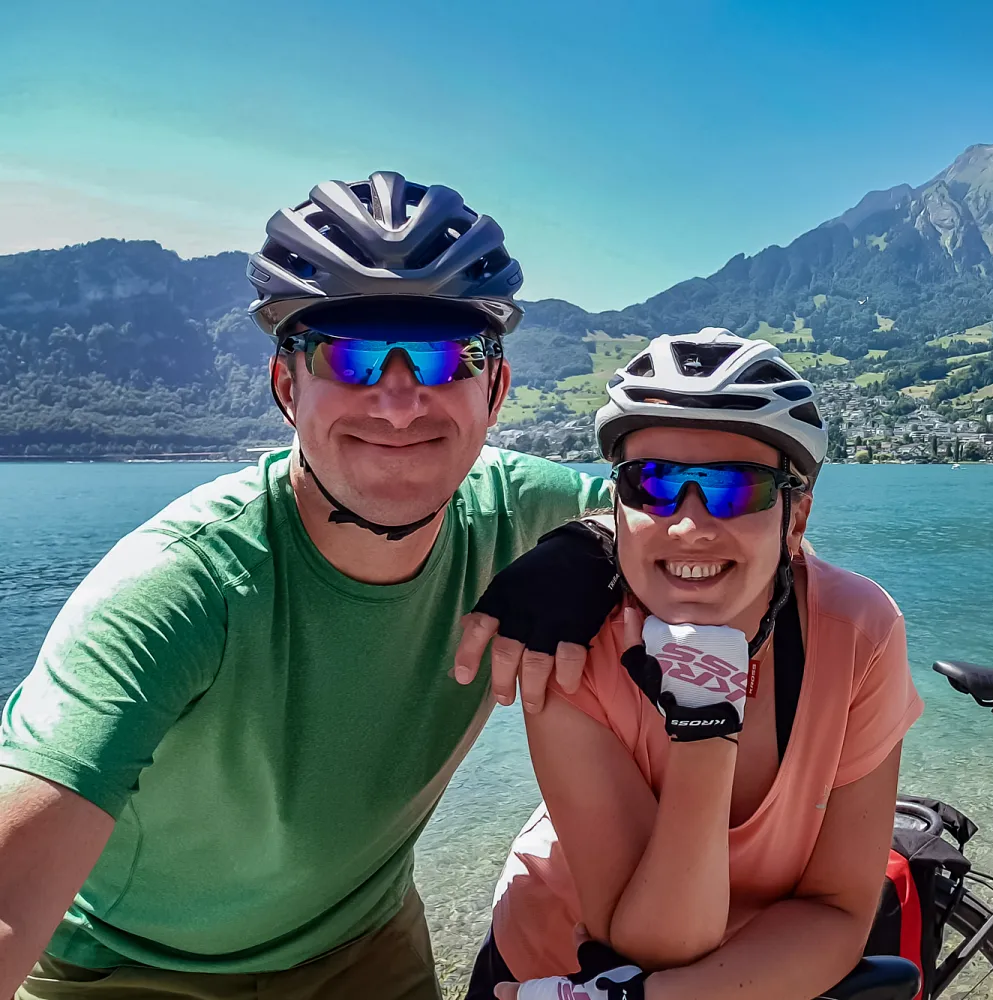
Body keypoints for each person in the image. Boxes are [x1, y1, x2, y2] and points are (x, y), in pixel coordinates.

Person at [0, 171, 610, 1000]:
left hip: (365, 943)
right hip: (131, 967)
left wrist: (595, 544)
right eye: (352, 356)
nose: (398, 404)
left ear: (495, 389)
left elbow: (740, 541)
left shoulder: (516, 510)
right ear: (289, 387)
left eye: (442, 355)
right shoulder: (180, 586)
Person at [457, 329, 925, 1000]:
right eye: (652, 484)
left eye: (737, 489)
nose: (689, 525)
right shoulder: (570, 644)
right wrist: (708, 729)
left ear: (795, 520)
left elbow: (839, 909)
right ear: (616, 507)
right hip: (551, 973)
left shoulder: (859, 634)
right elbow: (647, 940)